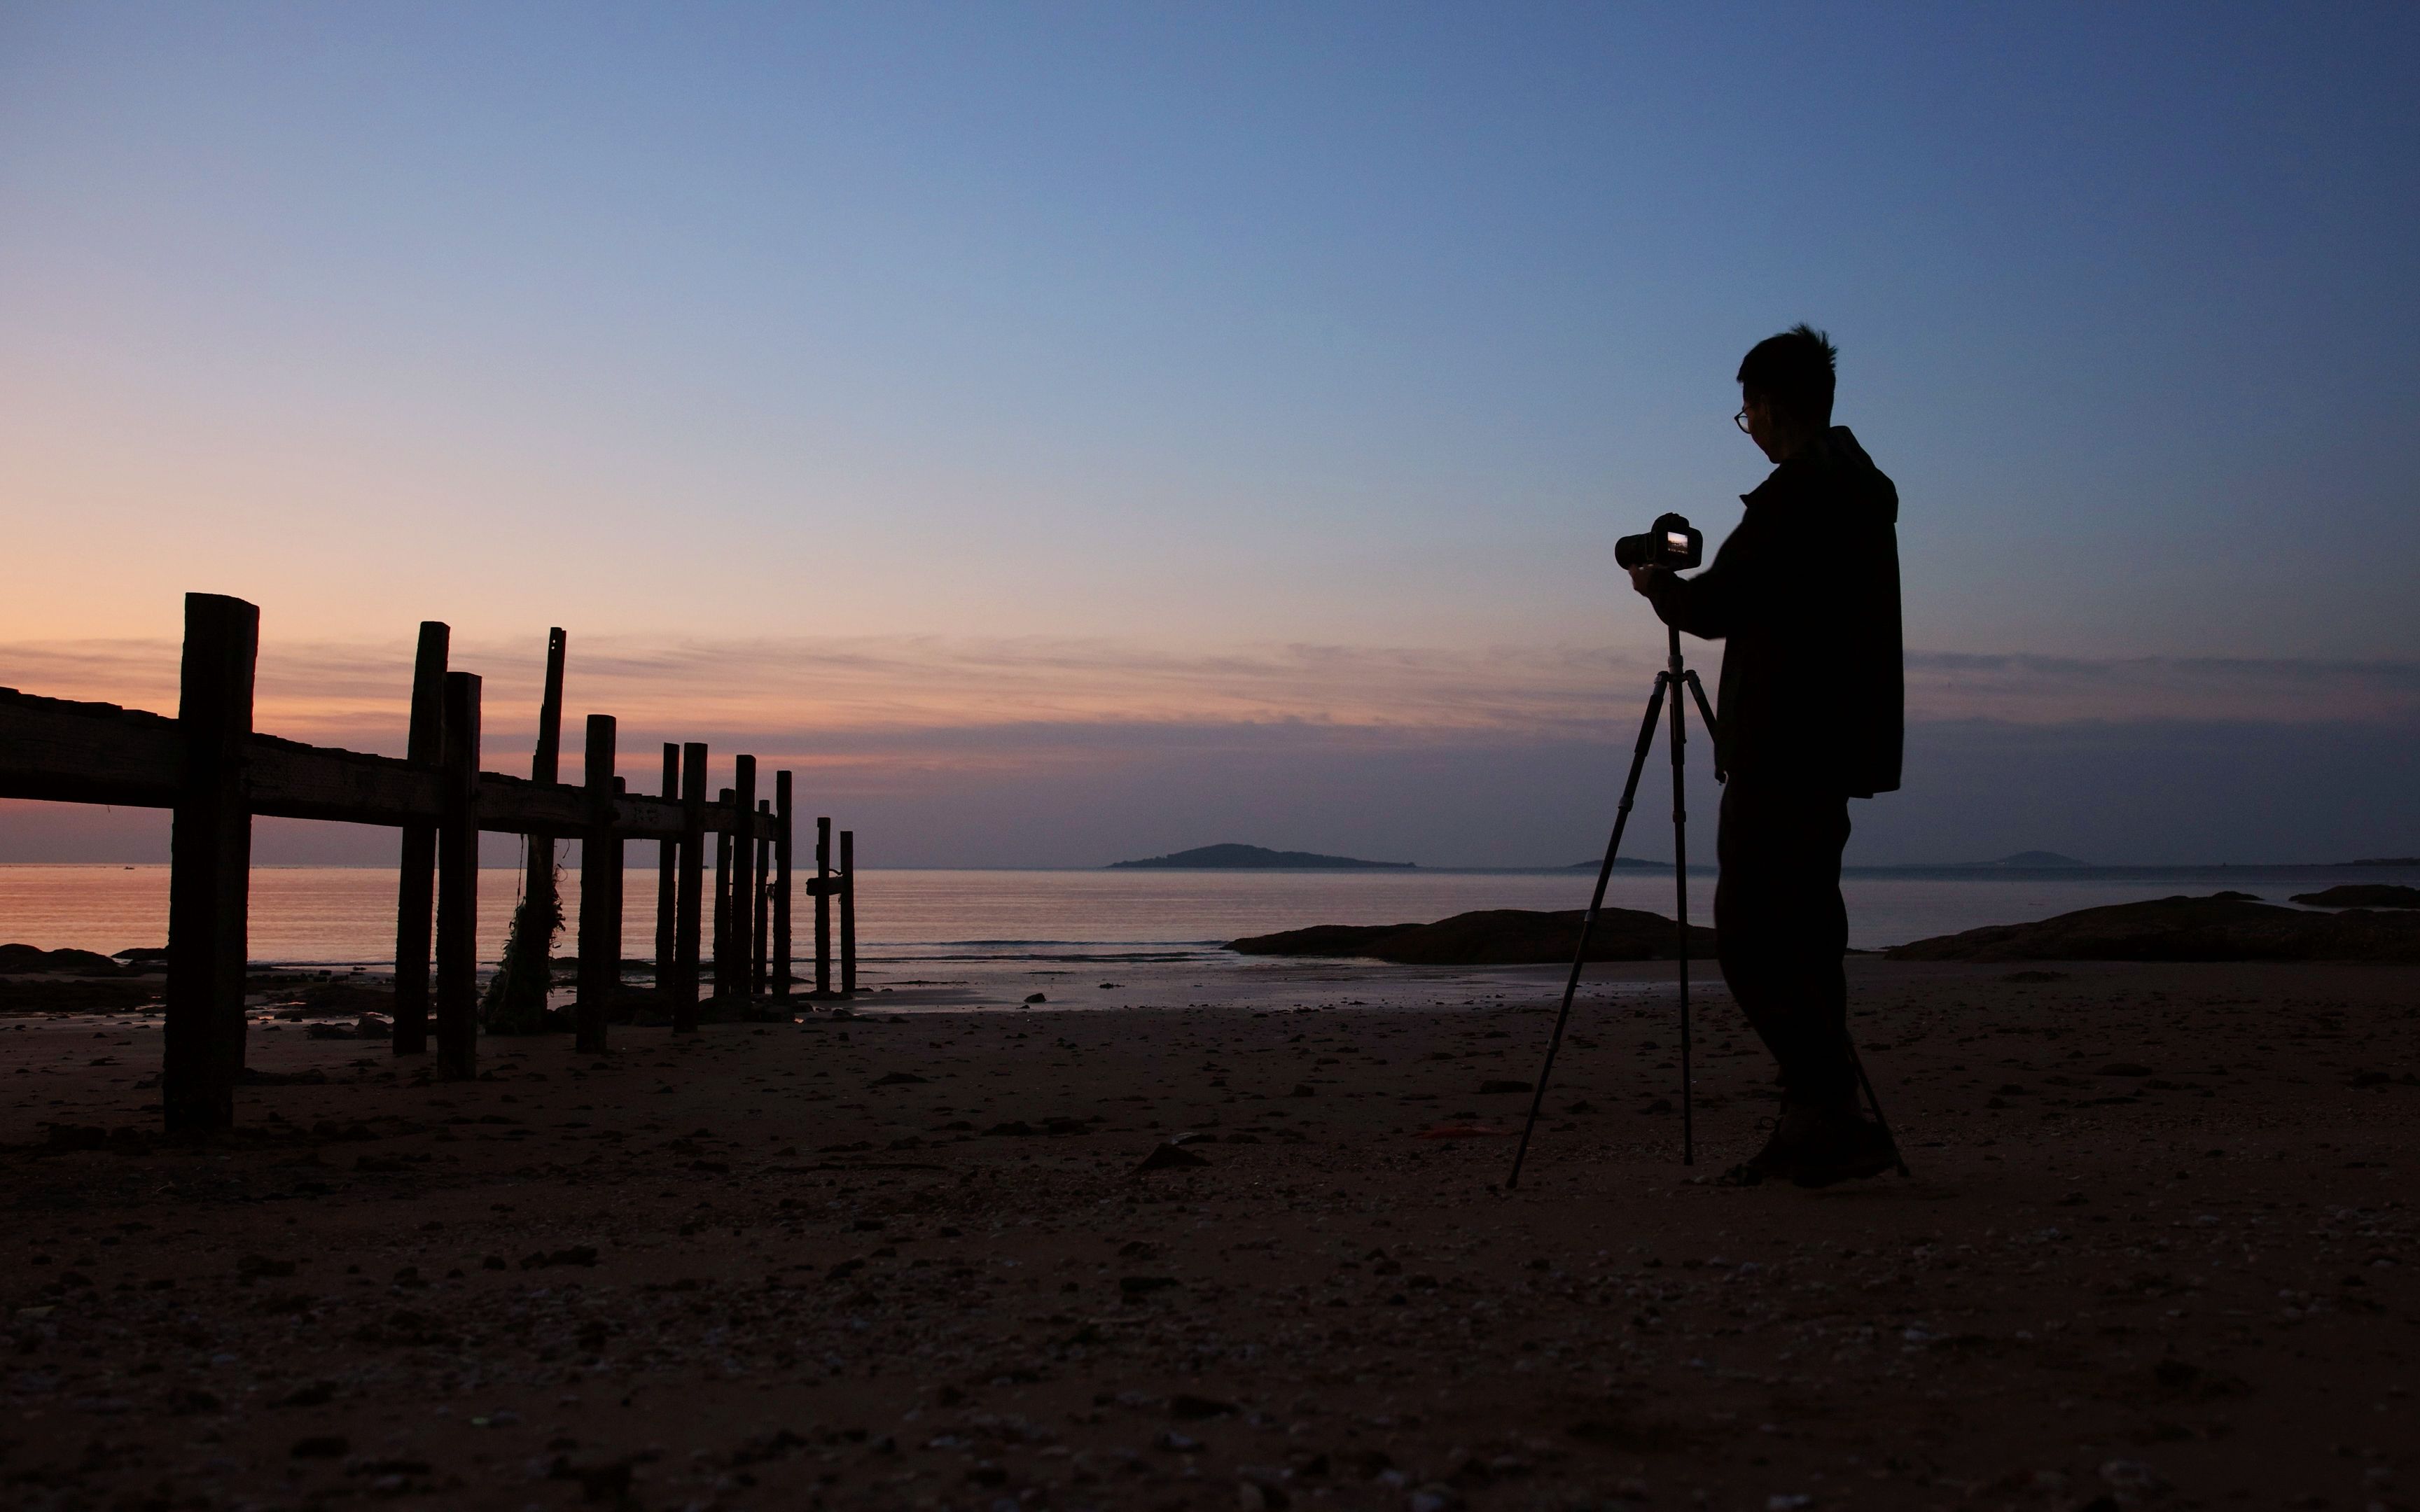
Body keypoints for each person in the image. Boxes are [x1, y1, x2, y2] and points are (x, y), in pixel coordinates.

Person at [1627, 324, 1904, 1187]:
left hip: (1784, 744)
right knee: (1812, 935)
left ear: (1771, 406)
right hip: (1835, 744)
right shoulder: (1859, 490)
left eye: (1747, 415)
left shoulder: (1796, 499)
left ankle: (1822, 1109)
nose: (1750, 427)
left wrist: (1655, 585)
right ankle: (1826, 1120)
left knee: (1750, 937)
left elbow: (1716, 607)